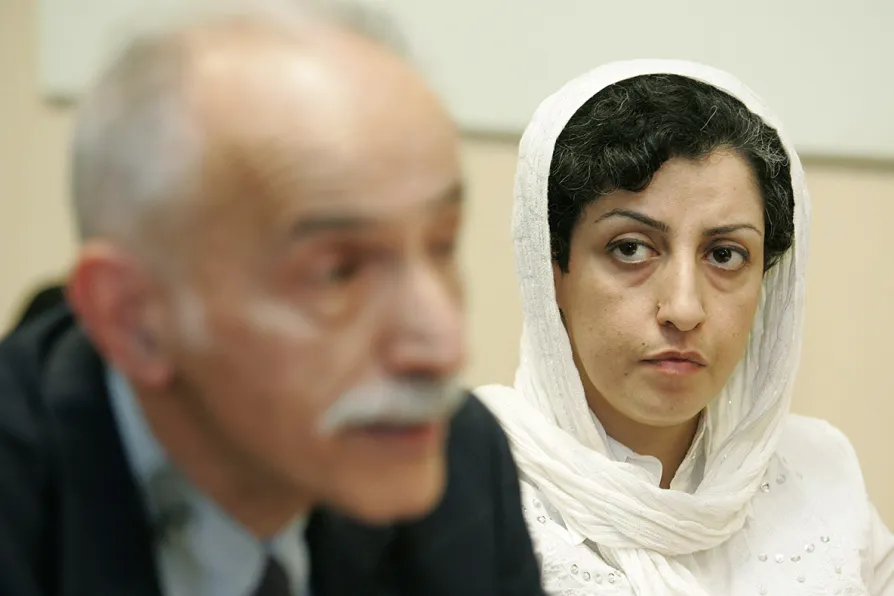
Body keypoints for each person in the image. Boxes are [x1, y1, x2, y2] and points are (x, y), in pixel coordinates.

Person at [0, 2, 543, 595]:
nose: (444, 348)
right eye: (338, 272)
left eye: (441, 246)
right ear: (133, 319)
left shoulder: (458, 460)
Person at [476, 60, 894, 595]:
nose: (684, 308)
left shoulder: (821, 475)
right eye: (631, 248)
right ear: (552, 269)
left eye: (724, 254)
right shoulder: (462, 489)